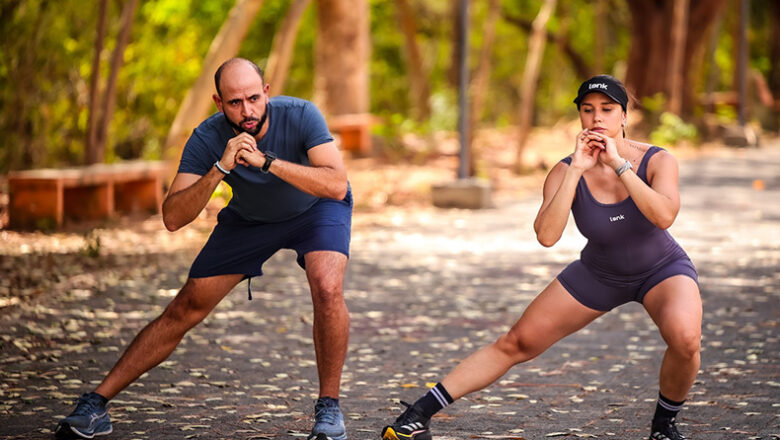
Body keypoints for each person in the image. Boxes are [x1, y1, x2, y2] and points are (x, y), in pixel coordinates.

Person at [380, 75, 701, 440]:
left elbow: (663, 216)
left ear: (624, 117)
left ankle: (663, 426)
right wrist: (577, 170)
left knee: (686, 338)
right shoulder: (565, 170)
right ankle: (417, 414)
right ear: (579, 117)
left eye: (607, 110)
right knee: (516, 342)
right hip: (599, 273)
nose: (597, 118)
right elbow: (547, 236)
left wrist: (619, 166)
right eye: (588, 110)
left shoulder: (657, 160)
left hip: (661, 269)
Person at [56, 58, 353, 440]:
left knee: (327, 286)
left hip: (316, 209)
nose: (246, 111)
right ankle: (95, 404)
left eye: (252, 98)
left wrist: (267, 163)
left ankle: (329, 411)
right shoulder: (207, 137)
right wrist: (219, 168)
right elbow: (173, 217)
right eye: (234, 102)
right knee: (186, 306)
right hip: (250, 221)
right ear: (219, 103)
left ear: (266, 93)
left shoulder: (301, 115)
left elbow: (336, 185)